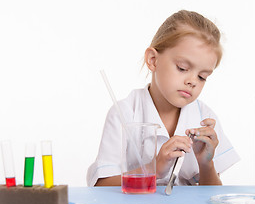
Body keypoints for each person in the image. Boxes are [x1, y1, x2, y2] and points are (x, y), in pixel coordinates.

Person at [87, 10, 240, 187]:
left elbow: (212, 194)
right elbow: (101, 186)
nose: (192, 81)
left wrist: (206, 164)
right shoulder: (124, 113)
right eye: (182, 68)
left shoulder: (204, 118)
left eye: (202, 77)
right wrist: (153, 169)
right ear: (153, 60)